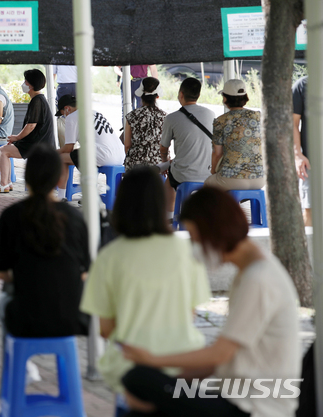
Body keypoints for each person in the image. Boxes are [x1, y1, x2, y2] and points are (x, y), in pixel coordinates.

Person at [120, 187, 300, 417]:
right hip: (233, 397)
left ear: (215, 231)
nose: (196, 249)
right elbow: (218, 360)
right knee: (143, 393)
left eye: (197, 239)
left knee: (137, 378)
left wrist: (152, 360)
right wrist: (167, 386)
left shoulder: (259, 279)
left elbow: (219, 354)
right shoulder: (249, 273)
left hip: (254, 408)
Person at [79, 166, 211, 396]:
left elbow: (105, 329)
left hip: (128, 365)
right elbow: (190, 314)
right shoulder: (186, 250)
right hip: (183, 362)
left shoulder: (109, 256)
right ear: (161, 204)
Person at [0, 143, 90, 336]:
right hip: (71, 319)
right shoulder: (76, 218)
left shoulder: (11, 216)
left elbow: (2, 274)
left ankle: (20, 365)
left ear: (26, 177)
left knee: (4, 299)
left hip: (24, 319)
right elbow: (84, 272)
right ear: (60, 178)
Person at [0, 69, 54, 193]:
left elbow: (31, 126)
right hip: (39, 143)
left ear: (31, 85)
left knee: (3, 150)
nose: (23, 84)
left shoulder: (37, 101)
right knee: (5, 149)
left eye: (25, 81)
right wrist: (17, 139)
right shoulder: (39, 100)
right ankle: (7, 183)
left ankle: (4, 184)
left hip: (38, 146)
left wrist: (17, 138)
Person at [161, 77, 215, 219]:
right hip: (209, 173)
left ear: (181, 94)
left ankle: (169, 216)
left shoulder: (172, 118)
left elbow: (163, 148)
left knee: (169, 182)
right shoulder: (211, 114)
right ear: (198, 95)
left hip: (184, 174)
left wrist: (165, 160)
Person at [54, 95, 125, 200]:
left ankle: (61, 196)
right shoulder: (95, 112)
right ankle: (89, 195)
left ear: (67, 108)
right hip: (120, 155)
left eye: (62, 113)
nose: (63, 116)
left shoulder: (72, 117)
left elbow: (68, 148)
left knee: (61, 158)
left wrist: (52, 152)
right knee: (78, 154)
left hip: (103, 155)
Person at [205, 79, 263, 190]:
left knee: (208, 184)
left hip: (232, 178)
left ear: (225, 98)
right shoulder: (258, 116)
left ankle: (226, 207)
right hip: (260, 178)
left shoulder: (220, 121)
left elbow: (217, 154)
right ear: (245, 97)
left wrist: (213, 171)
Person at [124, 77, 167, 171]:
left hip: (134, 165)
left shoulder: (131, 116)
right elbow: (165, 146)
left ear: (141, 96)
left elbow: (127, 145)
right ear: (157, 96)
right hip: (157, 165)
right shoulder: (164, 117)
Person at [293, 76, 311, 226]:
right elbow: (292, 123)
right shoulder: (303, 84)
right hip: (311, 161)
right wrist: (297, 155)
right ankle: (310, 250)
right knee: (310, 210)